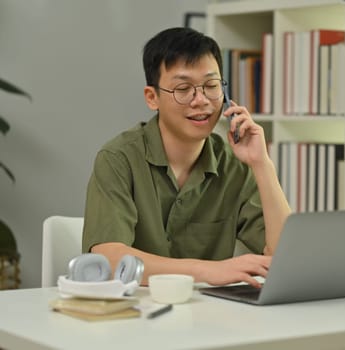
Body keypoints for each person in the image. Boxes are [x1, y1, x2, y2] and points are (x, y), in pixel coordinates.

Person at [82, 27, 290, 288]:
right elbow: (109, 259)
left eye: (211, 86)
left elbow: (284, 258)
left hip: (210, 317)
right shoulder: (118, 159)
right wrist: (209, 271)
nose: (200, 100)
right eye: (184, 89)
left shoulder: (235, 163)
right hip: (134, 314)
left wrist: (263, 164)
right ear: (152, 97)